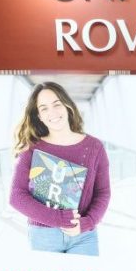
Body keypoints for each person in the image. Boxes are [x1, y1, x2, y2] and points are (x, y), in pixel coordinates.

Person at [9, 81, 110, 256]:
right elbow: (16, 196)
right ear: (39, 116)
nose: (52, 112)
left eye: (56, 104)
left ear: (67, 106)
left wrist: (88, 222)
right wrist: (58, 219)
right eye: (44, 108)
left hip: (84, 235)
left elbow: (103, 192)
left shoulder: (95, 147)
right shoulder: (31, 149)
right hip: (43, 235)